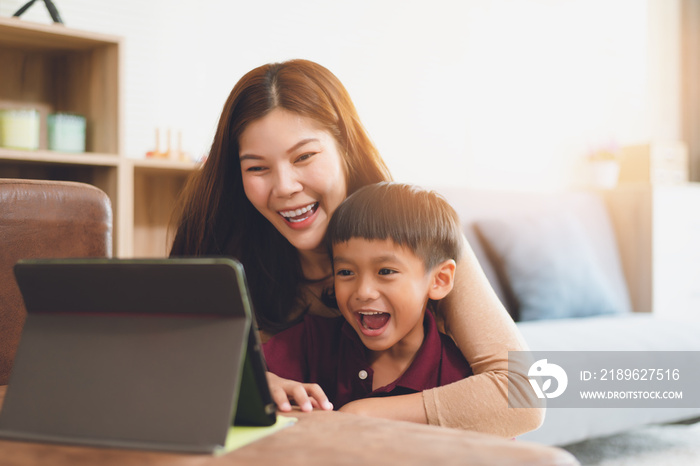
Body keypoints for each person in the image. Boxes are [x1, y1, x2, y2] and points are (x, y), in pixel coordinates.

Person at [170, 59, 543, 437]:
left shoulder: (413, 235)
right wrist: (250, 385)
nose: (283, 187)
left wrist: (362, 416)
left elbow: (523, 393)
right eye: (257, 168)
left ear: (345, 147)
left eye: (304, 157)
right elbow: (174, 360)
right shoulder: (224, 247)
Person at [262, 182, 473, 412]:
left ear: (439, 280)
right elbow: (230, 370)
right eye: (346, 272)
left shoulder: (462, 373)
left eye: (385, 272)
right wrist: (266, 382)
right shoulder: (314, 343)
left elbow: (517, 400)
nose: (362, 292)